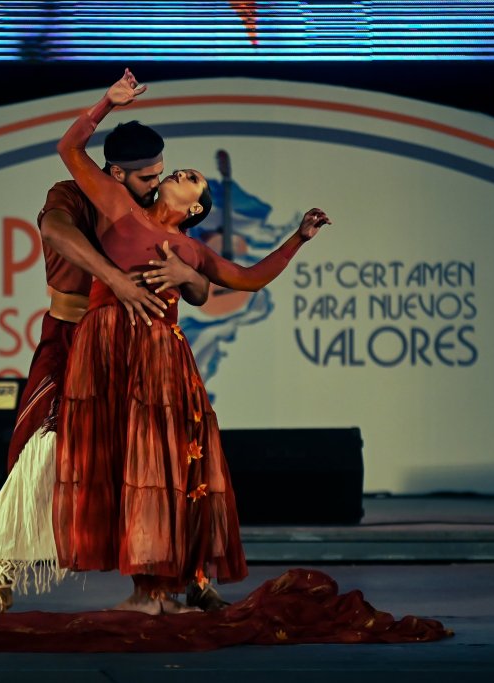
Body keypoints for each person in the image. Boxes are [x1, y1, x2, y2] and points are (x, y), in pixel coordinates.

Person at [53, 69, 331, 614]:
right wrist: (107, 103)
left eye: (192, 179)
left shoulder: (191, 250)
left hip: (160, 357)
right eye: (176, 172)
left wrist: (297, 238)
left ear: (194, 209)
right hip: (106, 346)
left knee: (168, 462)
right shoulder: (118, 206)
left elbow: (248, 278)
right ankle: (147, 587)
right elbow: (69, 149)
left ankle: (175, 582)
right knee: (120, 460)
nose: (181, 173)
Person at [0, 121, 212, 616]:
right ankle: (0, 580)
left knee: (161, 457)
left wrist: (188, 275)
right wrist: (114, 280)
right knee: (40, 450)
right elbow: (54, 232)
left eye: (161, 175)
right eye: (147, 178)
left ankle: (188, 579)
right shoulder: (73, 194)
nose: (156, 185)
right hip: (72, 340)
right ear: (116, 173)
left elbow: (204, 283)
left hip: (135, 350)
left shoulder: (156, 215)